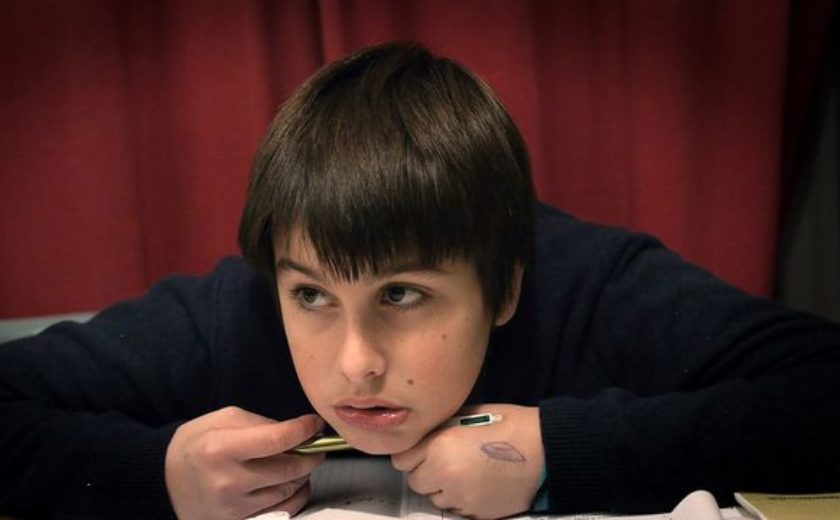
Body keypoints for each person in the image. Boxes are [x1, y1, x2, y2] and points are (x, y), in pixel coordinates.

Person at [1, 41, 839, 520]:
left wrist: (562, 453)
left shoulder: (588, 284)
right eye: (313, 296)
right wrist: (154, 473)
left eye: (401, 295)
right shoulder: (238, 310)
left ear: (503, 288)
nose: (355, 363)